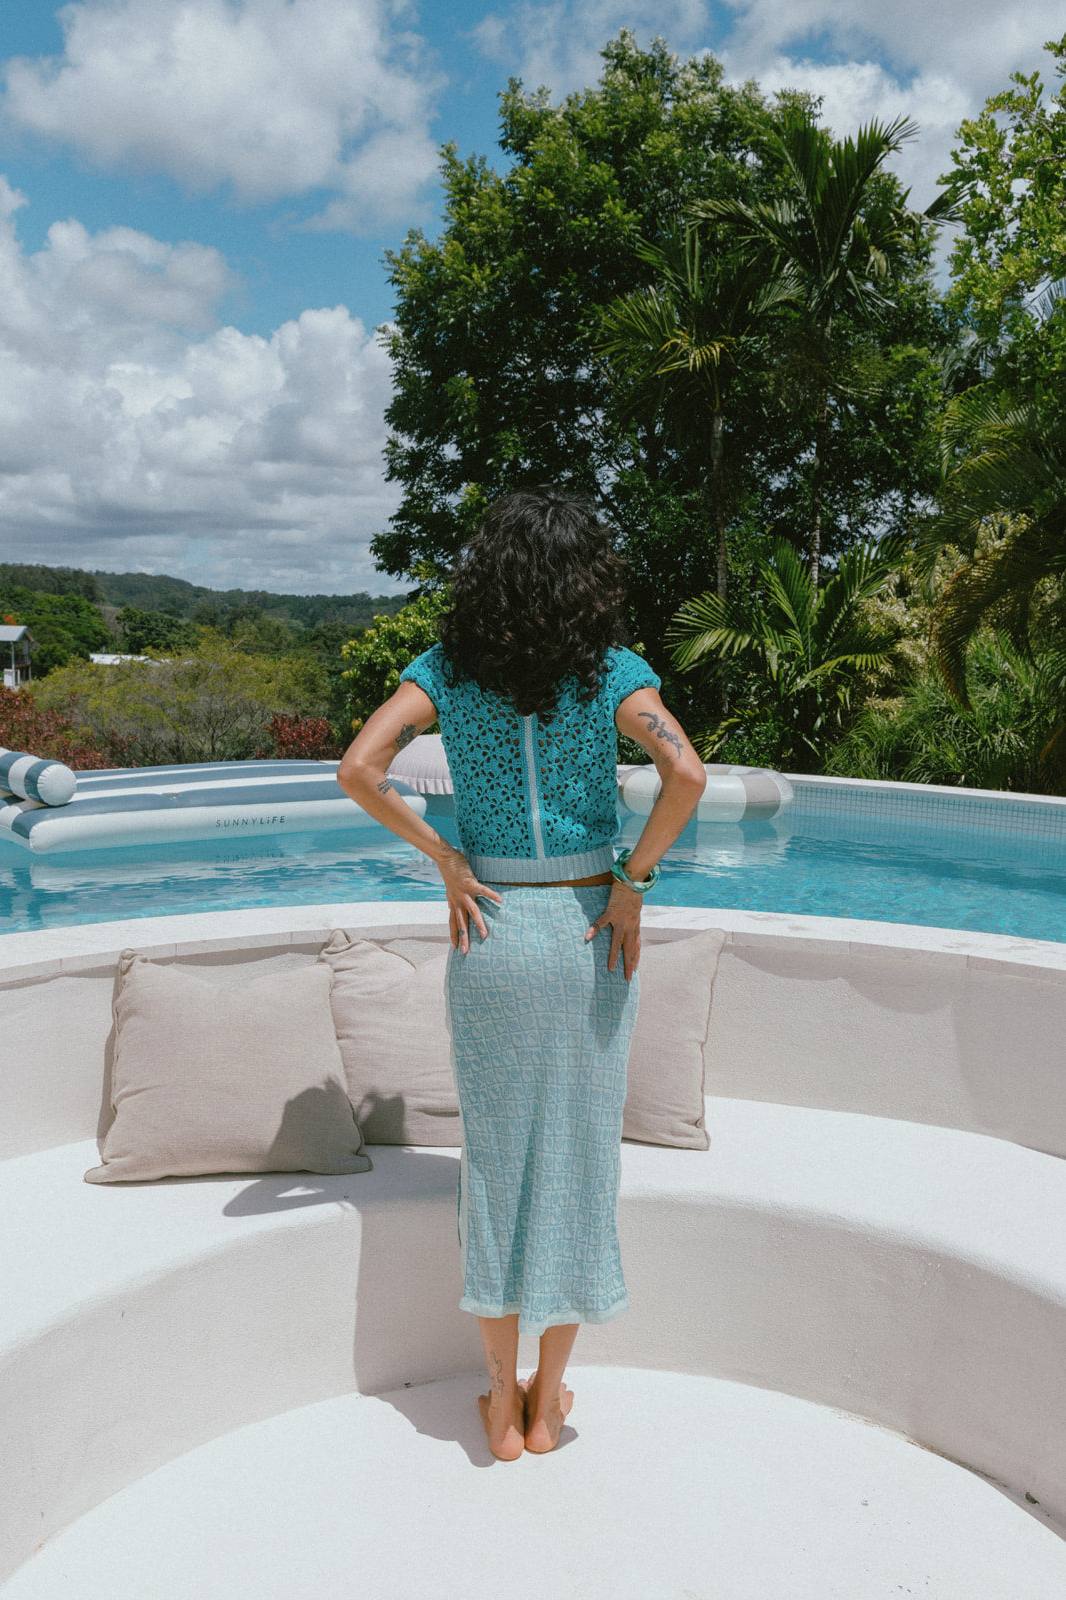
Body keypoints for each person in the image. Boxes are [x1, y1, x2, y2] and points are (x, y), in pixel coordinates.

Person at [337, 487, 705, 1459]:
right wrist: (630, 882)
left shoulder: (446, 672)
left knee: (497, 1167)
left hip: (491, 930)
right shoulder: (613, 672)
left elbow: (359, 766)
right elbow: (688, 775)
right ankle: (548, 1408)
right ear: (587, 574)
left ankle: (498, 1404)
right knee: (580, 1157)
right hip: (589, 931)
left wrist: (445, 858)